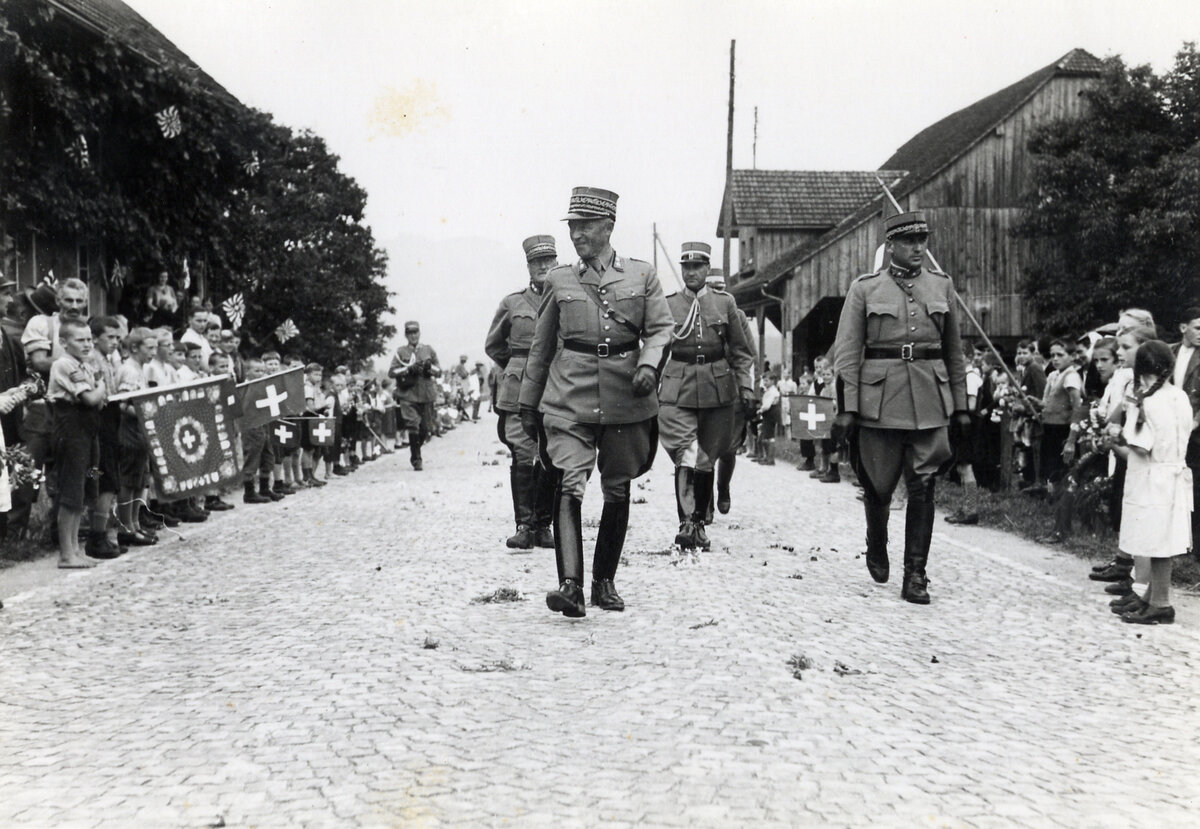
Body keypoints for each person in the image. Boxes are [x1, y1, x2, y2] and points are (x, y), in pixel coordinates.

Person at [519, 186, 674, 617]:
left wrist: (649, 366)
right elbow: (540, 348)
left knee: (617, 487)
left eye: (585, 226)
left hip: (627, 396)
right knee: (570, 481)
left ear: (608, 226)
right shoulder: (559, 279)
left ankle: (604, 582)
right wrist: (528, 404)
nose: (576, 234)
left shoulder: (642, 275)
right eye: (573, 226)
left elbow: (661, 329)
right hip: (569, 396)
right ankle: (570, 586)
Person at [832, 211, 969, 605]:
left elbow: (954, 352)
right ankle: (877, 541)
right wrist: (848, 408)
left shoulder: (941, 285)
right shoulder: (865, 289)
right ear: (890, 245)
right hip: (880, 403)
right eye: (909, 242)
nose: (918, 248)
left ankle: (916, 574)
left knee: (924, 485)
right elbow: (847, 353)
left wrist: (960, 406)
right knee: (878, 486)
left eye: (922, 240)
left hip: (930, 399)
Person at [657, 242, 755, 552]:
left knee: (706, 456)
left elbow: (741, 351)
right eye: (686, 267)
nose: (691, 272)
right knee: (686, 452)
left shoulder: (725, 303)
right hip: (679, 386)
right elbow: (657, 350)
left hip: (717, 387)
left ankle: (699, 521)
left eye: (697, 267)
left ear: (706, 268)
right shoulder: (669, 304)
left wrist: (746, 387)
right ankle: (687, 522)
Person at [1106, 341, 1194, 624]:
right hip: (1174, 474)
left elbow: (1141, 447)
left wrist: (1115, 437)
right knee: (1162, 538)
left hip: (1151, 477)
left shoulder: (1145, 402)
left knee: (1156, 543)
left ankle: (1161, 603)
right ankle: (1149, 596)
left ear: (1140, 369)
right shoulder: (1180, 396)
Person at [485, 234, 560, 550]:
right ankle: (524, 526)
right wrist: (518, 366)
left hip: (555, 387)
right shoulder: (512, 303)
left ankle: (544, 525)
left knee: (552, 456)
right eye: (536, 262)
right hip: (517, 392)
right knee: (522, 454)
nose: (543, 267)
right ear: (528, 266)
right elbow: (493, 345)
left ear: (556, 262)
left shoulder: (567, 298)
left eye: (548, 261)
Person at [47, 319, 108, 568]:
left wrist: (98, 389)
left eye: (89, 339)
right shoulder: (63, 364)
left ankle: (74, 549)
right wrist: (101, 384)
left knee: (84, 487)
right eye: (80, 340)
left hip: (87, 432)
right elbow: (92, 399)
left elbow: (100, 402)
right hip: (71, 433)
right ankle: (66, 553)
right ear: (63, 342)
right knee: (71, 491)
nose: (87, 344)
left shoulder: (84, 365)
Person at [706, 269, 757, 515]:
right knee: (704, 447)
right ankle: (704, 500)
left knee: (728, 448)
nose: (717, 294)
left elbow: (746, 355)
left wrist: (747, 388)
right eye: (712, 289)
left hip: (731, 388)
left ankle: (723, 487)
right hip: (704, 387)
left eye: (721, 289)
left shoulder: (738, 317)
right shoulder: (696, 314)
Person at [389, 321, 440, 470]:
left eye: (415, 332)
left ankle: (415, 450)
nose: (413, 336)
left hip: (426, 395)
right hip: (408, 394)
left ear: (419, 333)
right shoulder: (401, 352)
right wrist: (408, 369)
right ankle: (416, 459)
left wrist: (429, 368)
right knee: (413, 425)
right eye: (410, 333)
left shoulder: (428, 350)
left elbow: (439, 370)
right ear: (406, 335)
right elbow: (391, 372)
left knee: (425, 429)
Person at [1170, 307, 1200, 561]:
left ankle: (1196, 547)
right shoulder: (1169, 352)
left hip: (1195, 432)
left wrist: (1193, 423)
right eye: (1198, 328)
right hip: (1170, 429)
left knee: (1196, 486)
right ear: (1183, 328)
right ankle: (1177, 543)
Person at [1039, 339, 1083, 484]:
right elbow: (1050, 403)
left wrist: (1071, 440)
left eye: (1060, 355)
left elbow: (1077, 408)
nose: (1055, 359)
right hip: (1050, 429)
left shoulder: (1071, 376)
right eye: (1052, 355)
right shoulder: (1054, 375)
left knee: (1062, 473)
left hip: (1062, 430)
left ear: (1072, 356)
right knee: (1050, 473)